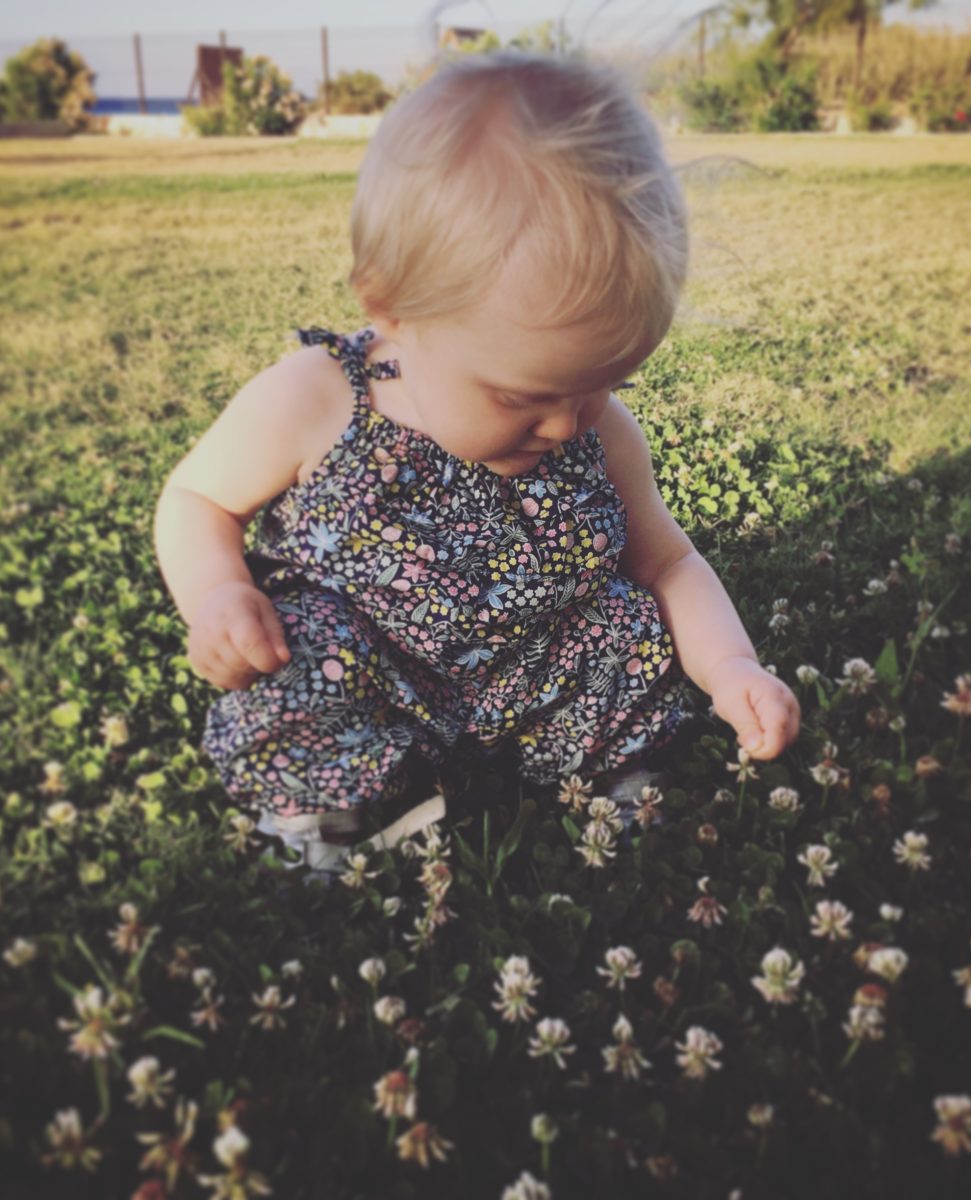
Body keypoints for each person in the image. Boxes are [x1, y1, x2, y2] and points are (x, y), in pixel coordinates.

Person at [153, 50, 801, 875]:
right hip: (368, 669)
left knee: (623, 628)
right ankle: (349, 800)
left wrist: (731, 665)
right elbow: (197, 500)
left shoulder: (599, 432)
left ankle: (606, 768)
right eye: (520, 395)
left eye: (602, 384)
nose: (566, 424)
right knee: (296, 663)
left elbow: (666, 563)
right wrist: (217, 593)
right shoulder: (314, 400)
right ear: (392, 307)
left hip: (538, 674)